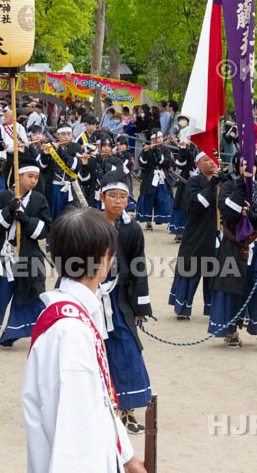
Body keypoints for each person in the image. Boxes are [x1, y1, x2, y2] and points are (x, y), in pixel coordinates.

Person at [21, 208, 146, 473]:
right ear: (106, 260)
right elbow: (75, 440)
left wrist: (126, 457)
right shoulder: (71, 332)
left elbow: (100, 402)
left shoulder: (72, 314)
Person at [97, 170, 153, 435]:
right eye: (113, 196)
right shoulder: (89, 223)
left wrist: (140, 307)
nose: (118, 202)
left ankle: (127, 410)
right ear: (102, 197)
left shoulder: (131, 229)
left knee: (127, 351)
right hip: (91, 297)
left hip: (119, 300)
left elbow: (138, 266)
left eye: (123, 197)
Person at [208, 155, 257, 351]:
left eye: (250, 164)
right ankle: (231, 331)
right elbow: (226, 209)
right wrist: (241, 186)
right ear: (236, 167)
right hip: (234, 246)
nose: (247, 167)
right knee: (232, 288)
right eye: (242, 164)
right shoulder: (228, 187)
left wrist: (253, 216)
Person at [0, 161, 52, 346]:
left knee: (31, 291)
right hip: (3, 253)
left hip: (29, 254)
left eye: (36, 177)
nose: (33, 181)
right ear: (19, 176)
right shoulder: (3, 197)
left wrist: (26, 220)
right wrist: (8, 211)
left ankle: (14, 332)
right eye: (29, 176)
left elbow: (45, 229)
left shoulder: (39, 200)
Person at [169, 150, 220, 320]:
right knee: (191, 268)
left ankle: (214, 308)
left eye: (213, 159)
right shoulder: (193, 182)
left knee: (215, 271)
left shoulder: (223, 181)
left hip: (216, 232)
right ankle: (182, 307)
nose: (212, 162)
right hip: (197, 232)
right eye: (207, 160)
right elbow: (198, 205)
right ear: (197, 164)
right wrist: (213, 184)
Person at [137, 130, 172, 230]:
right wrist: (144, 152)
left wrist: (156, 150)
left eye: (161, 137)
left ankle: (170, 223)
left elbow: (165, 162)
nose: (159, 139)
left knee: (165, 199)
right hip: (150, 178)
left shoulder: (165, 149)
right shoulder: (148, 148)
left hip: (162, 177)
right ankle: (148, 222)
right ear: (152, 139)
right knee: (148, 199)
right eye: (157, 138)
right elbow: (142, 164)